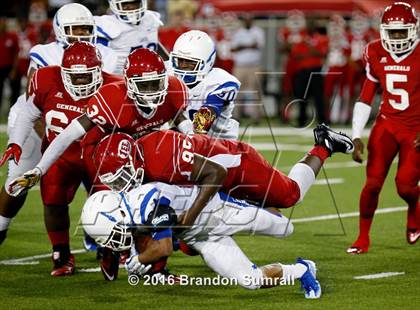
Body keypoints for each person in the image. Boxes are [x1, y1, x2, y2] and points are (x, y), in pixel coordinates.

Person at [0, 3, 119, 247]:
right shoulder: (44, 53)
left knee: (102, 176)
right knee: (18, 183)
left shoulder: (107, 55)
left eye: (86, 29)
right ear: (60, 29)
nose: (81, 35)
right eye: (74, 29)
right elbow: (33, 105)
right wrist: (54, 144)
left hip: (84, 124)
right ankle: (0, 227)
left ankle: (101, 237)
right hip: (39, 121)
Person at [7, 48, 193, 198]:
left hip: (140, 149)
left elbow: (180, 118)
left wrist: (193, 142)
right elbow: (68, 134)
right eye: (144, 85)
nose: (152, 91)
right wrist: (40, 169)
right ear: (129, 84)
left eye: (156, 83)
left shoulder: (174, 90)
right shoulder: (112, 99)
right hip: (108, 155)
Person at [81, 185, 321, 298]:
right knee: (250, 281)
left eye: (113, 232)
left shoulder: (145, 201)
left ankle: (265, 191)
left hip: (222, 212)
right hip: (202, 238)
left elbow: (163, 247)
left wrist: (139, 259)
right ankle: (302, 270)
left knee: (286, 226)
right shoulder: (130, 213)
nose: (116, 240)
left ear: (116, 214)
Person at [92, 125, 354, 228]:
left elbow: (216, 173)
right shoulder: (143, 157)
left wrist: (190, 217)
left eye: (123, 175)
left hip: (237, 166)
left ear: (134, 159)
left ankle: (325, 145)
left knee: (290, 195)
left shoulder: (161, 158)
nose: (121, 184)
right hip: (212, 178)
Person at [347, 2, 420, 254]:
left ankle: (414, 209)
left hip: (415, 128)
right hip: (387, 124)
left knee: (406, 187)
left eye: (402, 32)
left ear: (413, 30)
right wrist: (356, 136)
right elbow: (366, 97)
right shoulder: (375, 51)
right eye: (392, 32)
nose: (397, 37)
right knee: (372, 183)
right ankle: (362, 237)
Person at [170, 30, 241, 139]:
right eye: (180, 60)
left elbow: (200, 128)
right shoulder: (167, 73)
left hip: (219, 148)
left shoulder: (220, 82)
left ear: (207, 62)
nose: (183, 66)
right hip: (184, 146)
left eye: (190, 62)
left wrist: (172, 109)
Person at [94, 0, 166, 73]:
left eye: (134, 2)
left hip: (150, 73)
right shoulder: (107, 24)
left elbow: (156, 47)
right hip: (118, 78)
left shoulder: (151, 18)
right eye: (124, 4)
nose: (130, 7)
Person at [231, 14, 265, 121]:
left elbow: (258, 45)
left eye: (249, 19)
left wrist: (242, 46)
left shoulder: (258, 31)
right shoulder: (237, 32)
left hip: (254, 65)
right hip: (240, 66)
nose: (247, 22)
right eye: (245, 20)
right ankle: (236, 116)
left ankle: (256, 117)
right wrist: (249, 45)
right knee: (236, 92)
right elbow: (233, 48)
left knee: (256, 91)